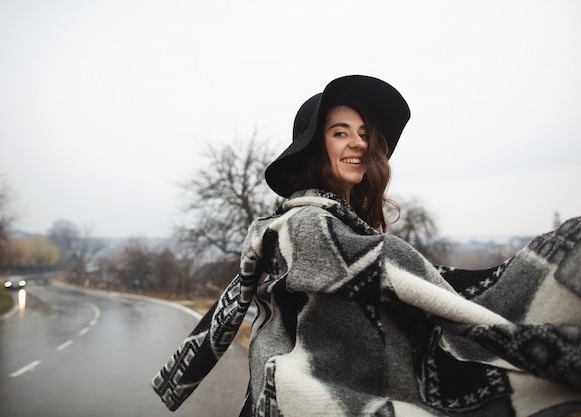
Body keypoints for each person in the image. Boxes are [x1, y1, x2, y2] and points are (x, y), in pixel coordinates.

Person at [151, 75, 581, 416]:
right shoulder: (306, 226)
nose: (358, 142)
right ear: (314, 148)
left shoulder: (334, 226)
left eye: (363, 133)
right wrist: (563, 252)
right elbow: (420, 286)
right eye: (340, 133)